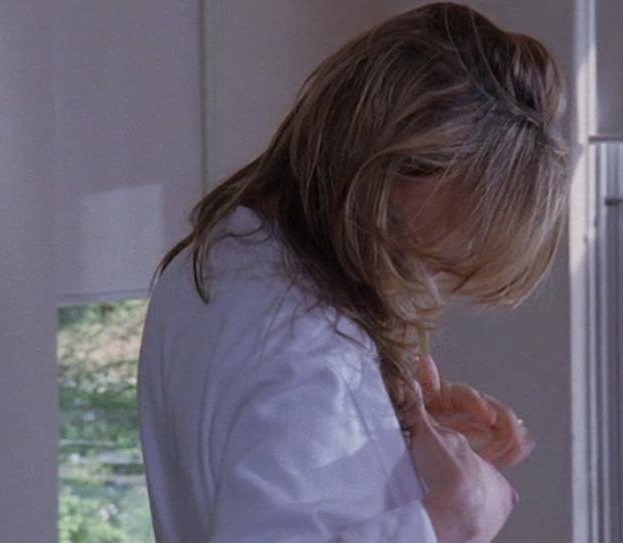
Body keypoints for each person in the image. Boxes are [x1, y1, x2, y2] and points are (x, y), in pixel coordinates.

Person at [137, 2, 571, 542]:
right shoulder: (298, 339)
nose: (420, 279)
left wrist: (389, 446)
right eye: (419, 250)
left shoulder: (220, 262)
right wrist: (454, 519)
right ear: (386, 166)